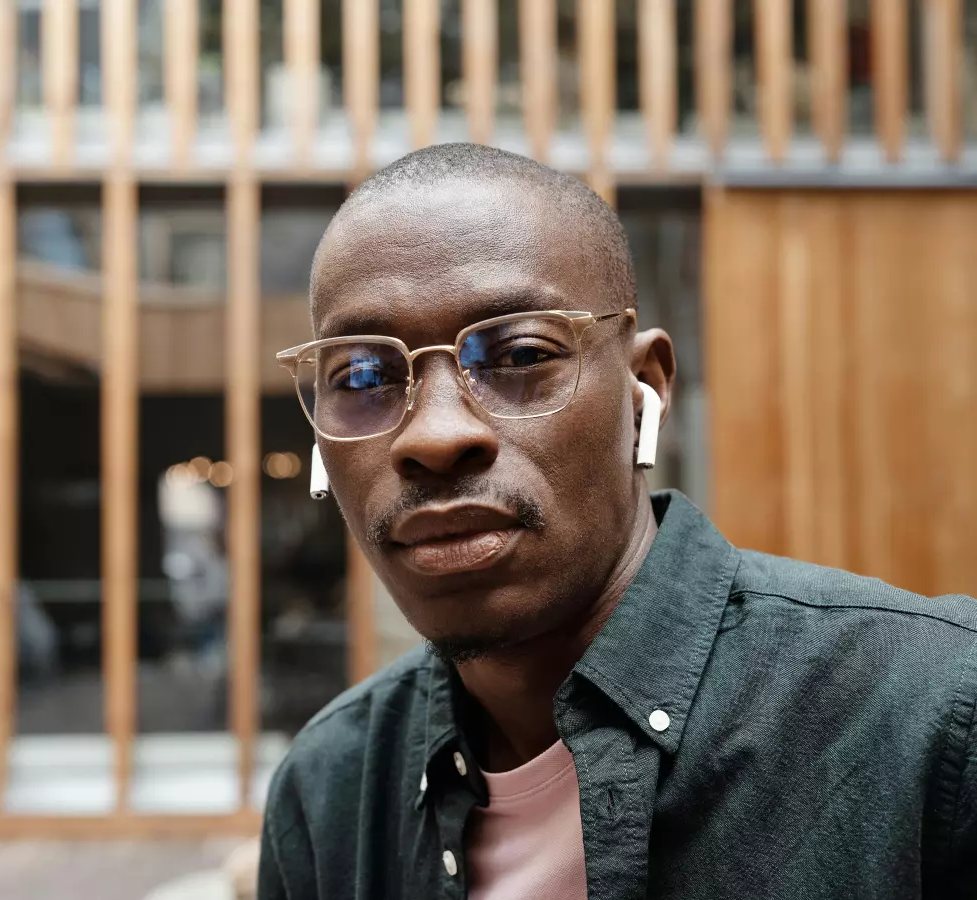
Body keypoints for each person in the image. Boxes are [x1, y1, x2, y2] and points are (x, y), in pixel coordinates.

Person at [258, 143, 977, 900]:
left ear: (644, 390)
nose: (434, 436)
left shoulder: (934, 720)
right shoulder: (329, 793)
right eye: (364, 375)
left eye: (520, 353)